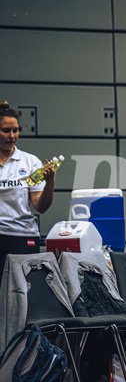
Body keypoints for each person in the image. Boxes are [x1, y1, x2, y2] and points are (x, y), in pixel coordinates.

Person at [0, 101, 55, 279]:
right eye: (6, 131)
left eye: (15, 130)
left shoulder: (30, 162)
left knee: (23, 294)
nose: (12, 136)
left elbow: (40, 206)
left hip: (23, 236)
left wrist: (50, 182)